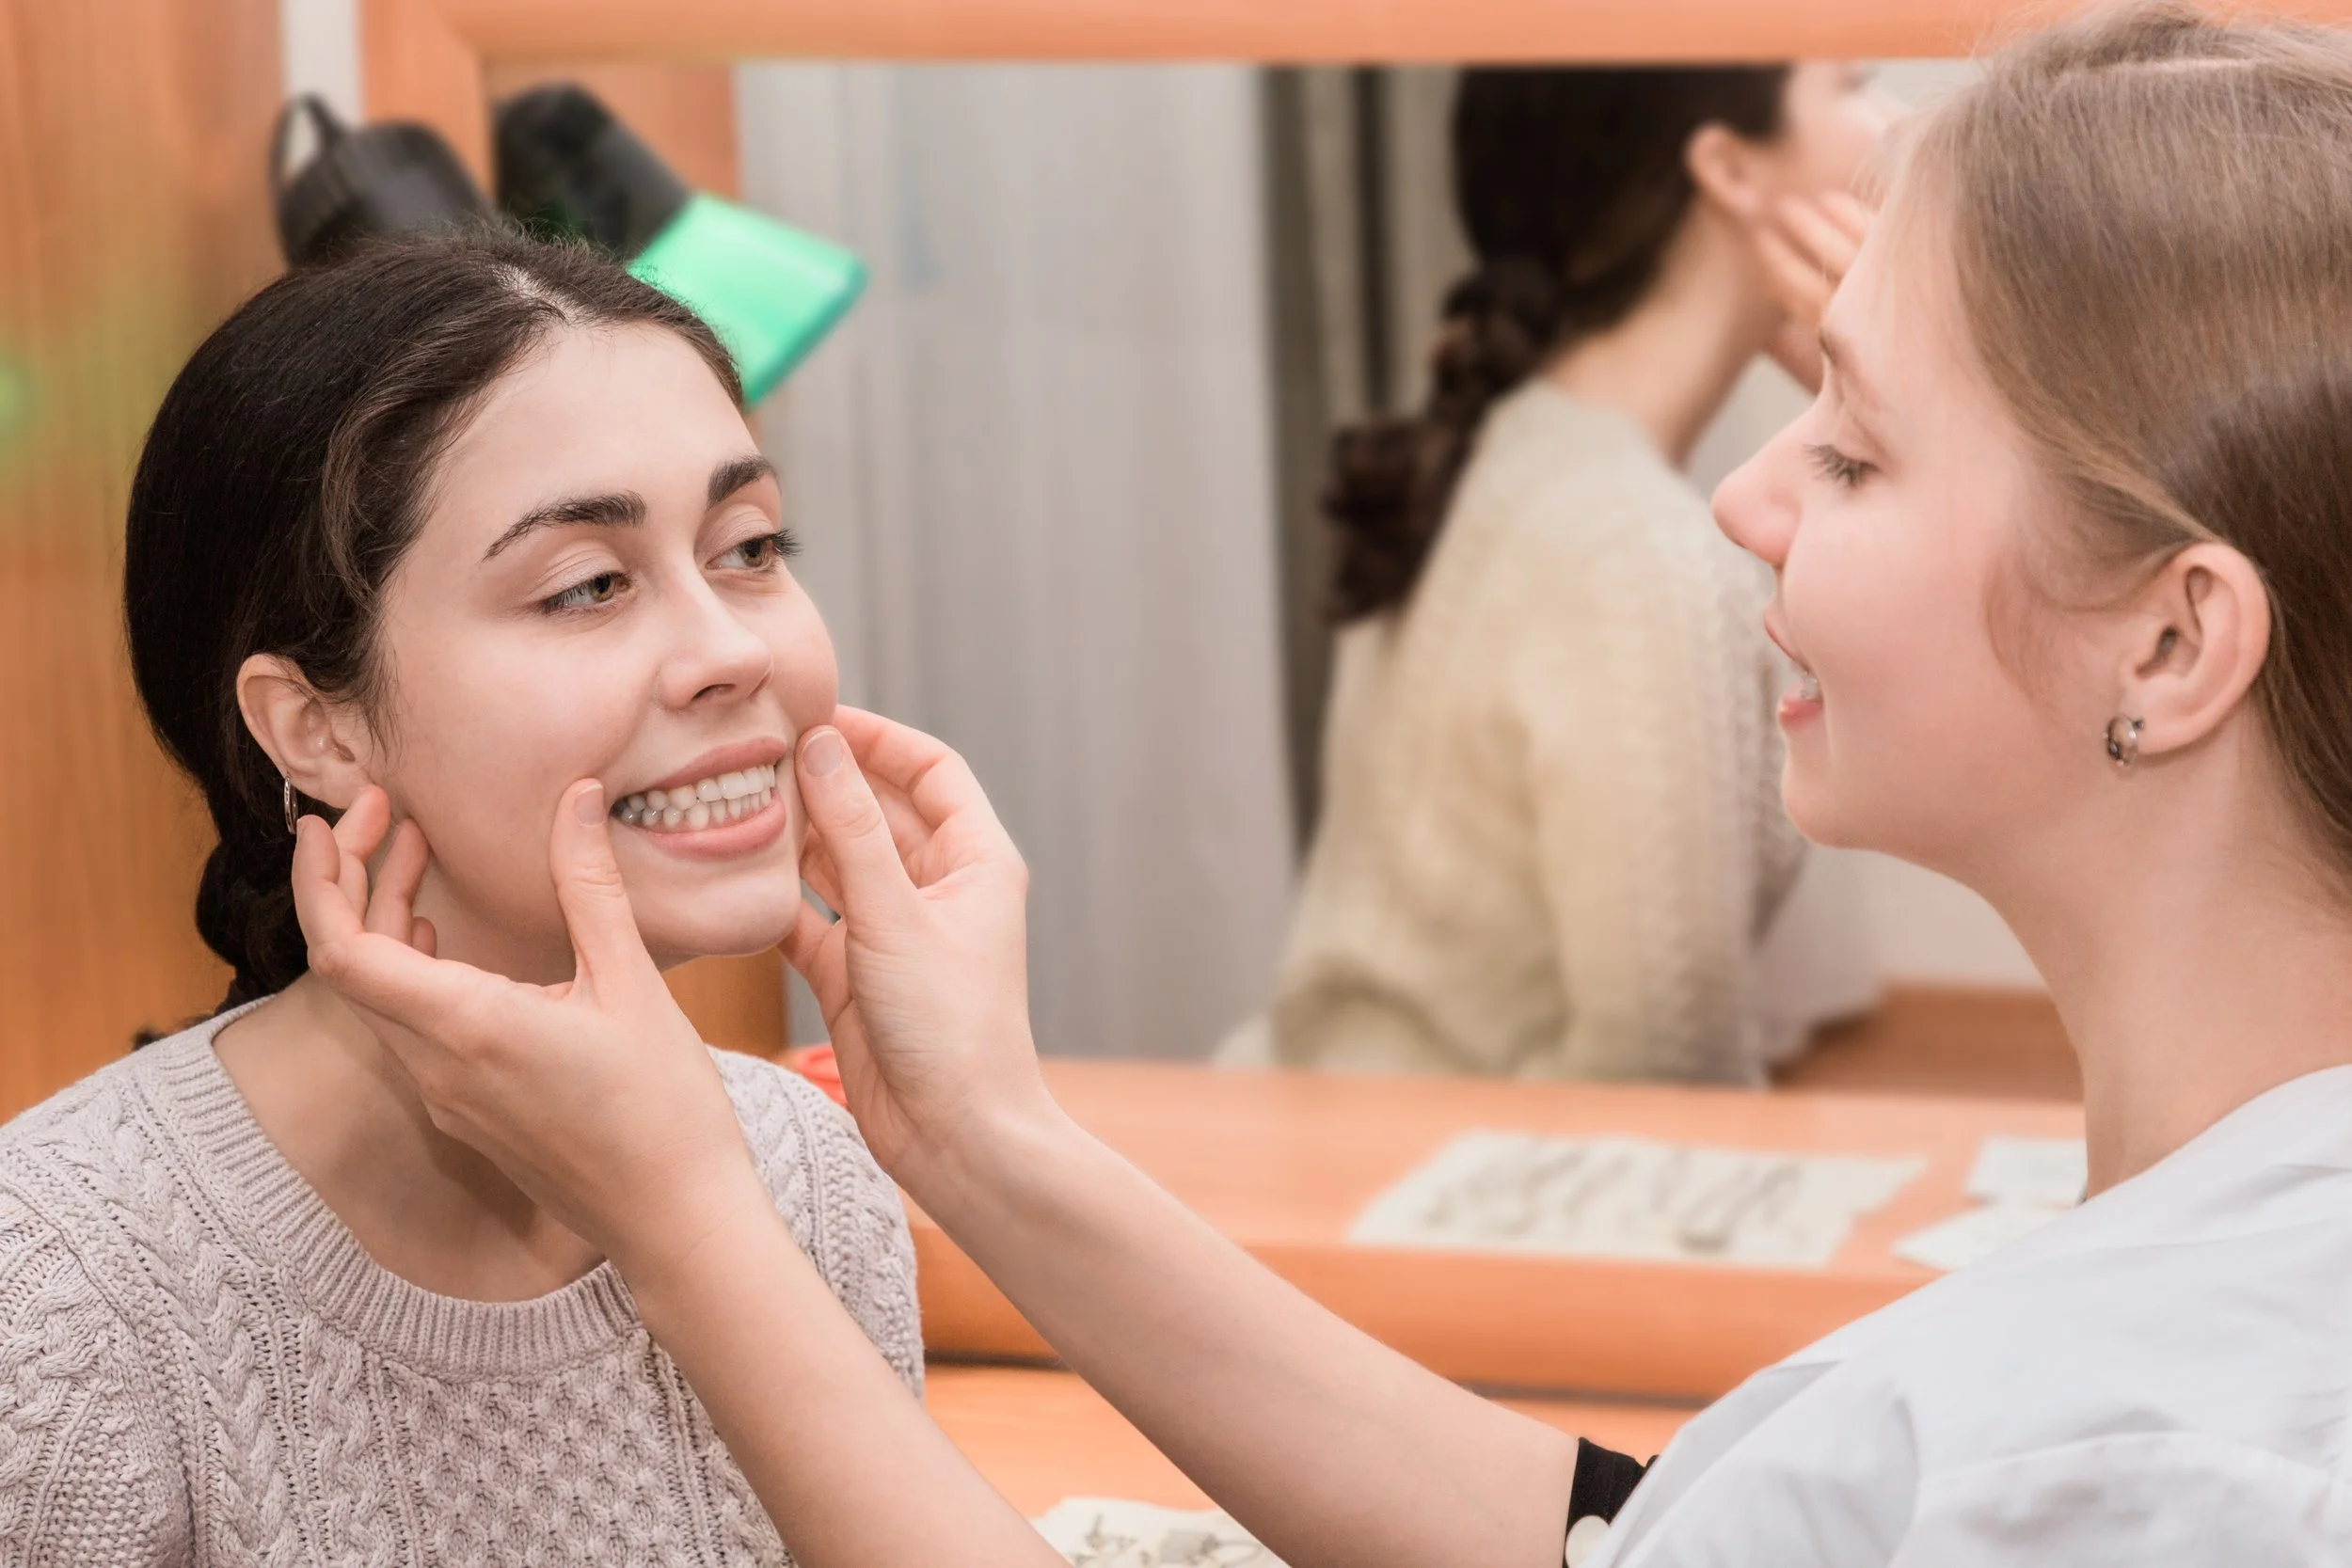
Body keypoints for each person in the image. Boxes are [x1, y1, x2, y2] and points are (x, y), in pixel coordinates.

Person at [297, 7, 2352, 1563]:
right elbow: (1620, 1538)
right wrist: (985, 1141)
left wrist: (679, 1217)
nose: (1742, 495)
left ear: (2170, 643)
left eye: (1853, 448)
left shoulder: (2145, 1450)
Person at [0, 234, 921, 1560]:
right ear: (315, 726)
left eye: (749, 545)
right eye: (588, 583)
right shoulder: (58, 1297)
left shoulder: (808, 1176)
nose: (731, 648)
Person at [1251, 65, 1892, 1081]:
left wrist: (1881, 387)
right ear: (1725, 165)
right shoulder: (1634, 552)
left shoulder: (1508, 449)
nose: (1892, 125)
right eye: (1853, 84)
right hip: (1435, 1191)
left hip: (1351, 1134)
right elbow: (1668, 1076)